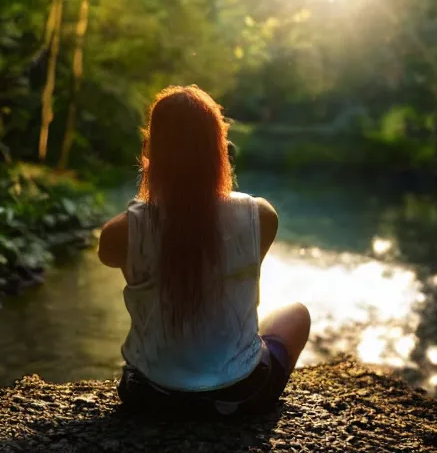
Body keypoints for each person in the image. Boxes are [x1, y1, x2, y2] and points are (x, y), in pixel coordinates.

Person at [98, 85, 310, 416]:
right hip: (242, 394)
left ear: (151, 151)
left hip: (149, 397)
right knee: (295, 313)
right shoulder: (262, 217)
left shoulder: (121, 232)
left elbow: (116, 253)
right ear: (220, 152)